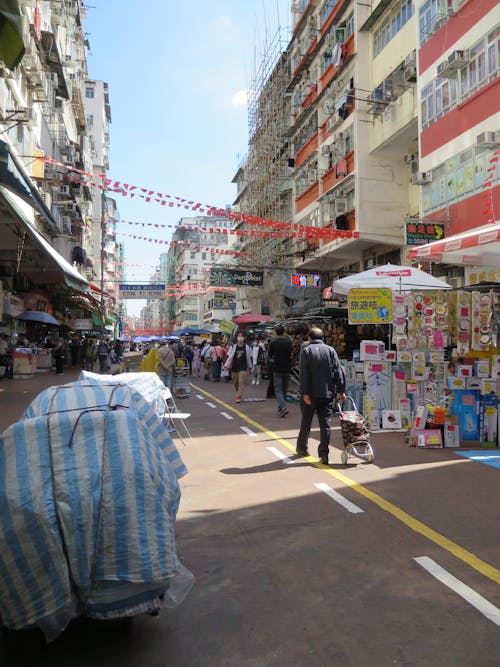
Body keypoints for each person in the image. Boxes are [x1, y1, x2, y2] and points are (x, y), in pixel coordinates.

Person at [296, 326, 346, 465]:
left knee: (306, 422)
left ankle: (302, 448)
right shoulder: (331, 350)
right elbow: (338, 371)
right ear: (322, 338)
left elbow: (304, 374)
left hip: (310, 395)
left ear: (309, 339)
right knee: (325, 424)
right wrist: (341, 391)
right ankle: (324, 454)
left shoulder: (305, 351)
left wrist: (304, 393)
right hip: (327, 394)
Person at [268, 324, 293, 417]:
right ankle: (281, 408)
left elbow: (270, 356)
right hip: (287, 367)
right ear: (284, 332)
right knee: (284, 388)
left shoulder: (273, 343)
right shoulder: (289, 342)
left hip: (277, 368)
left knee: (278, 389)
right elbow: (290, 354)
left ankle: (283, 407)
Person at [224, 333, 253, 403]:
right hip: (234, 367)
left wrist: (250, 367)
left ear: (244, 338)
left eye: (241, 336)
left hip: (243, 367)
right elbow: (228, 357)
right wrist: (226, 366)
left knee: (241, 382)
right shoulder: (233, 347)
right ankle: (238, 392)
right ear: (237, 338)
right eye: (239, 336)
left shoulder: (247, 347)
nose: (240, 337)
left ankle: (238, 396)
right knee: (235, 382)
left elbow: (250, 357)